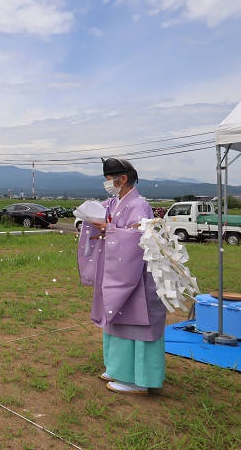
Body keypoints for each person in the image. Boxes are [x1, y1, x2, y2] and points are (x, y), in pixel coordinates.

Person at [77, 158, 167, 395]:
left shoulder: (138, 204)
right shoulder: (116, 202)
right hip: (120, 272)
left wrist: (112, 231)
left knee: (136, 322)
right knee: (116, 318)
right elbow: (106, 220)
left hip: (137, 276)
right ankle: (118, 368)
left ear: (122, 179)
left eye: (109, 179)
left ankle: (138, 380)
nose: (107, 183)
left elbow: (140, 238)